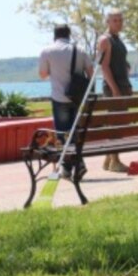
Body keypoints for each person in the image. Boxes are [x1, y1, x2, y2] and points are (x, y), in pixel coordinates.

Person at [38, 24, 94, 180]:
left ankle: (74, 166)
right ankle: (72, 166)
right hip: (77, 99)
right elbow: (91, 72)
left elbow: (42, 74)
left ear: (54, 35)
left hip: (59, 98)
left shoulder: (47, 51)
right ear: (69, 35)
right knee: (75, 132)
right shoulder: (80, 50)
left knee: (63, 134)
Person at [98, 9, 133, 173]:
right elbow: (104, 67)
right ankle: (115, 161)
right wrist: (115, 90)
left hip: (123, 85)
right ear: (108, 22)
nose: (118, 23)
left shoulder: (118, 40)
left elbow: (120, 62)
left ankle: (108, 159)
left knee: (120, 123)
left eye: (120, 20)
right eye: (115, 20)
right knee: (115, 125)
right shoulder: (106, 40)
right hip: (114, 87)